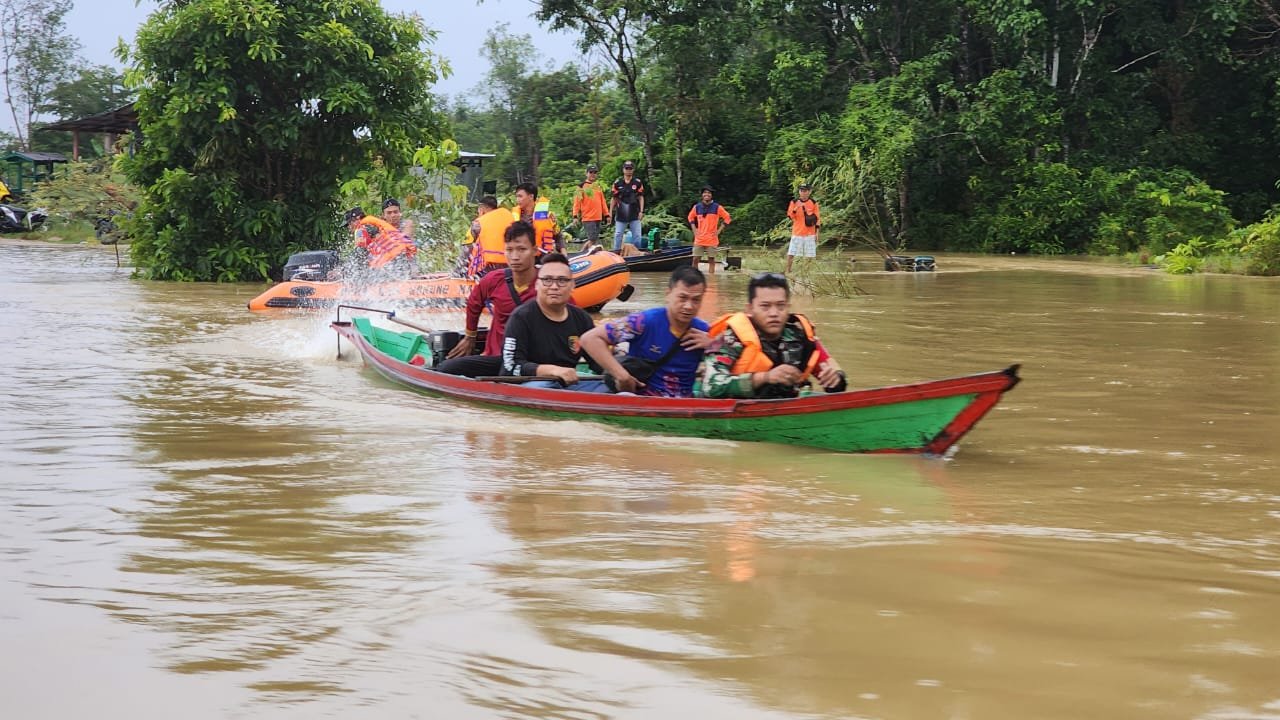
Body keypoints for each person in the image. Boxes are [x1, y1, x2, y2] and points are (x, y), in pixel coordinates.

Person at [698, 272, 848, 399]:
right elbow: (711, 386)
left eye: (781, 306)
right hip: (740, 411)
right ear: (750, 309)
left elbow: (834, 380)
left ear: (788, 307)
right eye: (765, 306)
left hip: (787, 410)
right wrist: (765, 377)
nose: (774, 313)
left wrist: (835, 379)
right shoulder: (731, 339)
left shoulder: (801, 335)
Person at [580, 266, 712, 397]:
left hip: (685, 405)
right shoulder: (643, 321)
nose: (688, 306)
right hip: (642, 399)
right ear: (668, 294)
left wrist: (712, 345)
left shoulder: (704, 331)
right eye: (682, 298)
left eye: (696, 300)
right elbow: (590, 339)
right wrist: (622, 376)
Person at [438, 221, 541, 377]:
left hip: (533, 361)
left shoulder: (548, 283)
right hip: (497, 358)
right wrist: (470, 336)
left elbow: (570, 316)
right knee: (445, 368)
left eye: (521, 250)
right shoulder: (494, 279)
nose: (515, 257)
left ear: (534, 251)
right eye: (509, 250)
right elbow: (474, 302)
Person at [501, 253, 606, 391]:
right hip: (532, 384)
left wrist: (618, 373)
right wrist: (552, 370)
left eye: (562, 280)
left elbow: (597, 362)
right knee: (544, 387)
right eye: (547, 280)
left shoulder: (581, 318)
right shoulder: (521, 317)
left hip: (570, 385)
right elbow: (510, 367)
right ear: (537, 285)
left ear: (572, 285)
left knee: (610, 387)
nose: (554, 286)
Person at [345, 206, 416, 277]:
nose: (349, 228)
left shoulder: (361, 228)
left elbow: (359, 254)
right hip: (404, 256)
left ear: (356, 219)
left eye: (349, 224)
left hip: (392, 260)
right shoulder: (373, 223)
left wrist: (347, 271)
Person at [462, 195, 511, 277]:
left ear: (482, 209)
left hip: (487, 269)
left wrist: (457, 272)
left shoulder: (478, 223)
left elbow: (466, 249)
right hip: (509, 267)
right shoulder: (509, 218)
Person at [688, 185, 732, 274]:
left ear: (711, 195)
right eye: (705, 192)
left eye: (709, 193)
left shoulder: (717, 207)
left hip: (711, 238)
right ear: (702, 195)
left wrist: (718, 231)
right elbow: (690, 217)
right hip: (699, 238)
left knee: (711, 260)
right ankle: (694, 278)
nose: (706, 194)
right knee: (695, 259)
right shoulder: (697, 207)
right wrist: (694, 230)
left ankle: (711, 281)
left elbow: (727, 218)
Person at [514, 182, 563, 253]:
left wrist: (563, 253)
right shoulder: (514, 217)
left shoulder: (547, 215)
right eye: (516, 196)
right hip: (521, 256)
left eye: (520, 196)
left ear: (531, 196)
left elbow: (558, 236)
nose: (517, 200)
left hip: (543, 256)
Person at [784, 183, 820, 274]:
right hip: (797, 233)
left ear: (809, 192)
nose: (803, 193)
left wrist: (817, 233)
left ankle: (805, 272)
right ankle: (788, 271)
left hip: (810, 234)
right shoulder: (794, 202)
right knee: (791, 253)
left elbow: (818, 218)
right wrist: (796, 208)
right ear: (799, 191)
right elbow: (790, 216)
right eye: (801, 190)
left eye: (805, 191)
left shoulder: (814, 203)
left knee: (810, 255)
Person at [610, 160, 645, 252]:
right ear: (623, 170)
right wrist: (609, 213)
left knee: (637, 235)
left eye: (630, 168)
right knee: (618, 234)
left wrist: (641, 211)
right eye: (627, 168)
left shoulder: (637, 182)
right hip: (621, 213)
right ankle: (616, 253)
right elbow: (614, 198)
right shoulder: (617, 183)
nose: (628, 170)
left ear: (633, 170)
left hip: (635, 213)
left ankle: (636, 253)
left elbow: (641, 197)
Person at [572, 164, 609, 247]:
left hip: (598, 217)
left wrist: (607, 215)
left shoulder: (598, 186)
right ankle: (584, 253)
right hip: (588, 218)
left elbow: (603, 202)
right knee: (592, 239)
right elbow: (576, 203)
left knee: (594, 239)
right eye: (591, 172)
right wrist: (575, 216)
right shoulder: (581, 186)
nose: (593, 174)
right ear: (586, 173)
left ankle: (586, 253)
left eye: (595, 172)